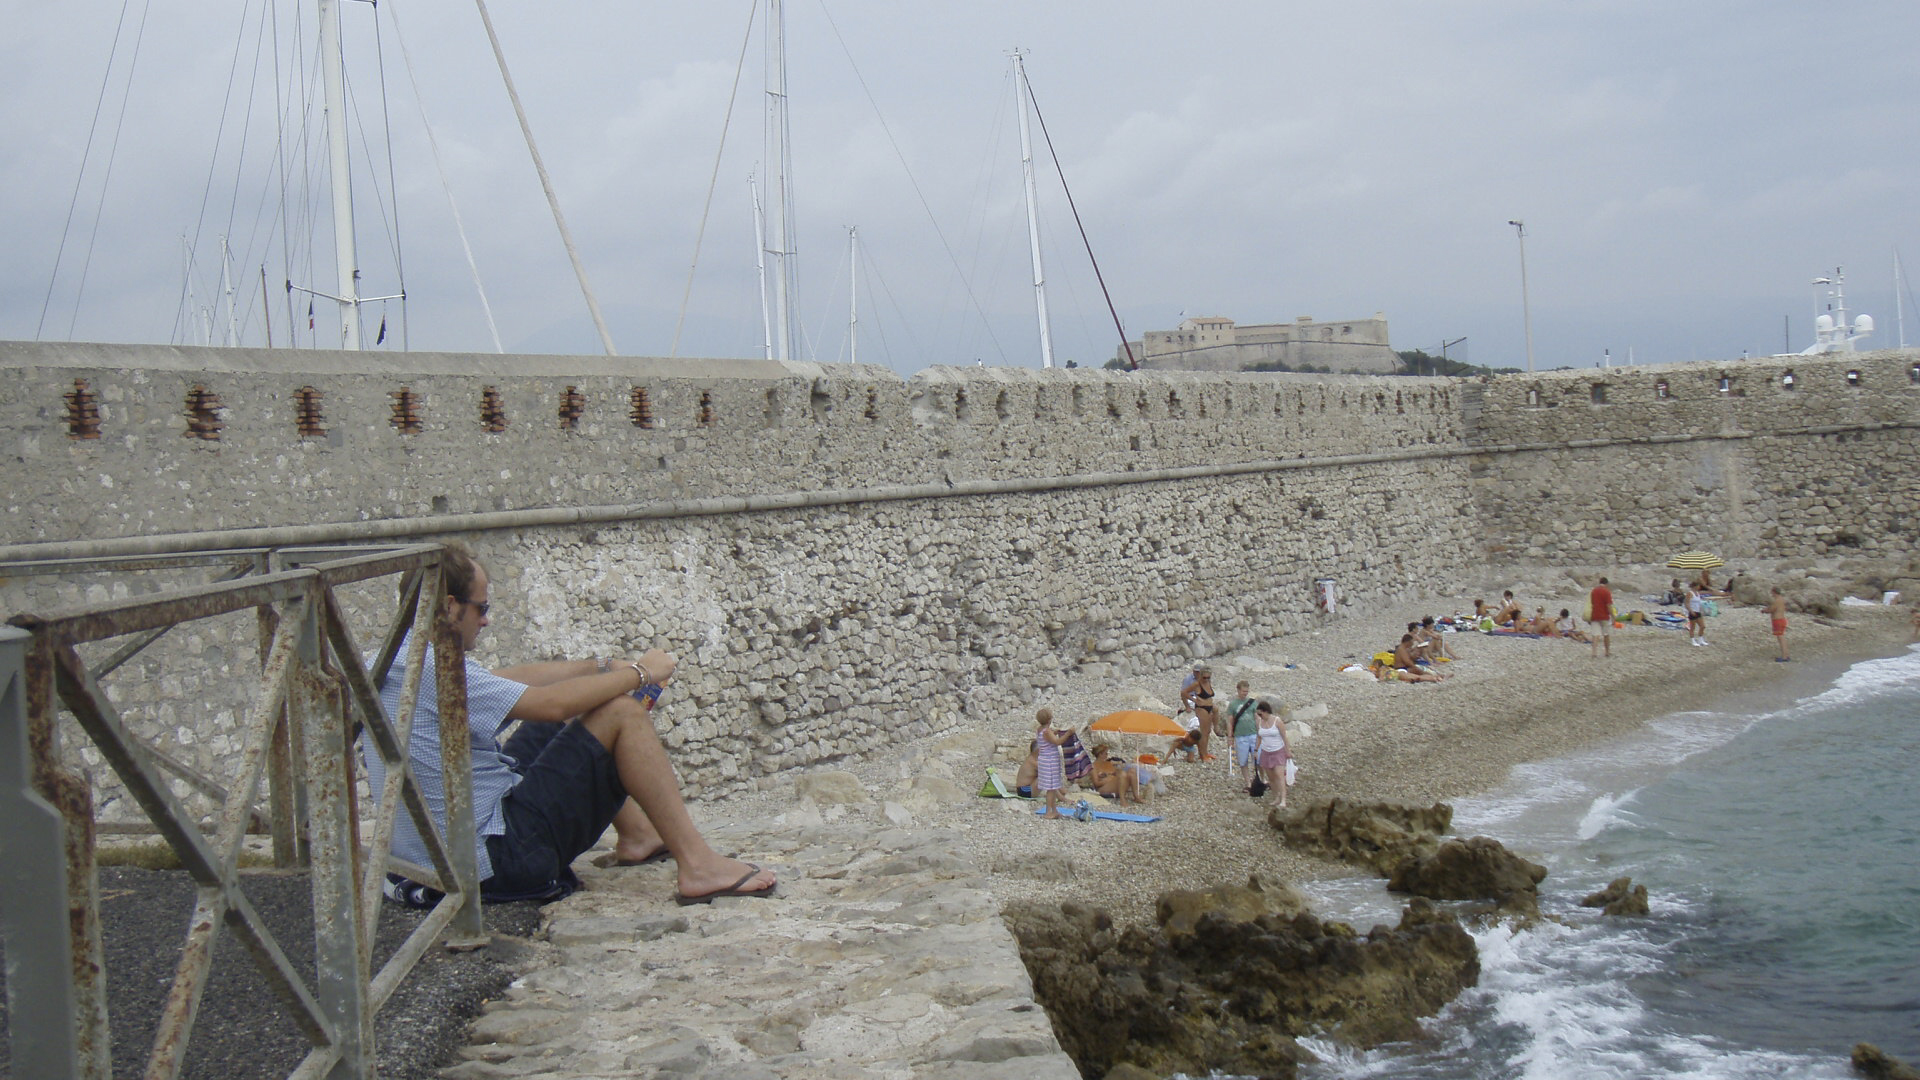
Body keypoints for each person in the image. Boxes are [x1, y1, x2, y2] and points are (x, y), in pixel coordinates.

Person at [369, 541, 774, 908]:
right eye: (483, 608)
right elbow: (549, 703)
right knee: (621, 713)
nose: (487, 621)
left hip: (434, 855)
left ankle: (640, 836)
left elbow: (505, 681)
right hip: (497, 860)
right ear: (451, 607)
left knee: (570, 715)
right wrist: (640, 673)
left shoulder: (394, 660)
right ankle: (699, 865)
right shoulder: (438, 668)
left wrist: (600, 668)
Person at [1253, 700, 1292, 807]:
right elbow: (1259, 737)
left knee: (1279, 775)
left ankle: (1283, 799)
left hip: (1278, 751)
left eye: (1260, 714)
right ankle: (1276, 797)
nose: (1260, 716)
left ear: (1266, 711)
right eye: (1258, 714)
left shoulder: (1277, 721)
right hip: (1266, 752)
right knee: (1271, 777)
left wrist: (1288, 750)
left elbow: (1284, 736)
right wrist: (1256, 750)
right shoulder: (1259, 722)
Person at [1033, 708, 1070, 819]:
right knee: (1051, 788)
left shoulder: (1040, 730)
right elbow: (1057, 742)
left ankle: (1054, 810)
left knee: (1053, 787)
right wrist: (1068, 733)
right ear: (1049, 719)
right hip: (1050, 761)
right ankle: (1049, 811)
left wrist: (1055, 732)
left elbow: (1047, 738)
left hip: (1045, 759)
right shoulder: (1047, 731)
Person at [1179, 664, 1220, 761]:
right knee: (1204, 733)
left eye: (1208, 677)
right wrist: (1192, 701)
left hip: (1209, 707)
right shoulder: (1197, 684)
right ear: (1200, 676)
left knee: (1208, 732)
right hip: (1201, 708)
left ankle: (1205, 752)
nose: (1206, 679)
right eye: (1204, 677)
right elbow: (1183, 693)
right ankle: (1203, 755)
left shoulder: (1208, 682)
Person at [1225, 680, 1261, 773]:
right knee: (1243, 761)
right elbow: (1230, 721)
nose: (1245, 693)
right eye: (1243, 691)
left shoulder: (1252, 703)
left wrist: (1260, 732)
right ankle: (1248, 782)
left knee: (1258, 760)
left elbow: (1257, 718)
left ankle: (1261, 779)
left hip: (1253, 733)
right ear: (1238, 690)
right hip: (1240, 735)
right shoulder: (1233, 704)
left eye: (1246, 691)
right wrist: (1230, 737)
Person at [1587, 576, 1613, 658]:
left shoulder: (1594, 591)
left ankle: (1594, 652)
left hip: (1595, 615)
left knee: (1595, 635)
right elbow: (1608, 605)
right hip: (1604, 616)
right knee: (1606, 634)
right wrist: (1613, 616)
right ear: (1606, 583)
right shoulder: (1606, 592)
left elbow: (1592, 603)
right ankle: (1607, 652)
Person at [1768, 587, 1790, 661]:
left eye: (1772, 593)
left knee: (1781, 638)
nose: (1771, 594)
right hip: (1782, 619)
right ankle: (1786, 655)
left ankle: (1784, 657)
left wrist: (1765, 610)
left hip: (1778, 620)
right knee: (1782, 638)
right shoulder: (1782, 600)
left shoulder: (1777, 601)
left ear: (1774, 592)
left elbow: (1772, 609)